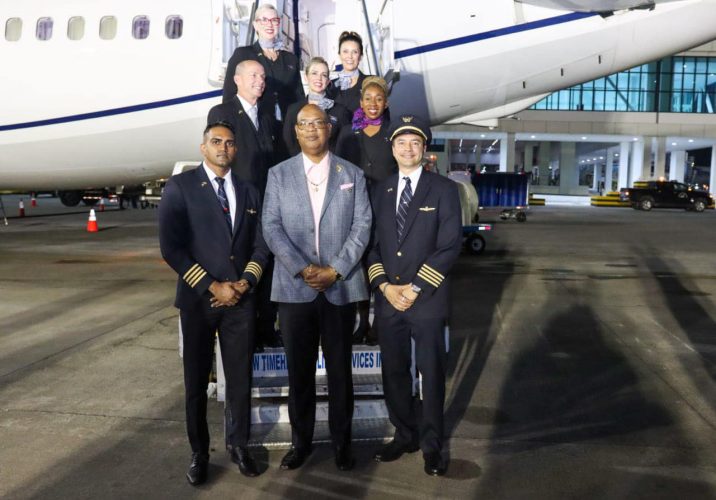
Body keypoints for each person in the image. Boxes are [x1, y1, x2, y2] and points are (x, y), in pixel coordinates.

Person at [158, 122, 270, 485]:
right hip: (199, 301)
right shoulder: (181, 187)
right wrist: (211, 286)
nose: (224, 147)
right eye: (216, 141)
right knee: (195, 384)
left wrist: (246, 281)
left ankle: (239, 446)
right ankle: (199, 453)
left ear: (236, 150)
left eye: (230, 143)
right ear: (203, 147)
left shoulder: (249, 190)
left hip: (240, 300)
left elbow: (261, 246)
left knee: (239, 379)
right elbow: (171, 248)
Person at [262, 104, 371, 472]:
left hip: (339, 290)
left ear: (329, 129)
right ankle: (301, 442)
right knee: (300, 374)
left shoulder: (351, 174)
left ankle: (343, 444)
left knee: (341, 372)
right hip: (294, 291)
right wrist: (303, 268)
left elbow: (362, 227)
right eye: (304, 124)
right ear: (296, 132)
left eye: (318, 123)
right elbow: (271, 227)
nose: (311, 130)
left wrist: (336, 270)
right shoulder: (278, 175)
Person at [366, 115, 462, 477]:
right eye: (401, 143)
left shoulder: (444, 190)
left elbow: (450, 245)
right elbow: (371, 246)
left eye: (415, 143)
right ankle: (404, 433)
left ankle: (432, 445)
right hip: (389, 300)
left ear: (424, 149)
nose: (408, 148)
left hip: (428, 299)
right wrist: (386, 287)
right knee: (393, 371)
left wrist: (416, 287)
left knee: (431, 372)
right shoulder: (382, 190)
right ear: (392, 149)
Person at [208, 59, 282, 350]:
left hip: (265, 203)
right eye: (254, 75)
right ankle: (244, 330)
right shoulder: (223, 112)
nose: (260, 81)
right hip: (237, 203)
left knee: (265, 265)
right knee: (239, 262)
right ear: (236, 79)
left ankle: (266, 327)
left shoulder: (265, 116)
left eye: (263, 77)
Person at [336, 76, 396, 344]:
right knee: (358, 267)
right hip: (355, 208)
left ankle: (379, 325)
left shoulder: (393, 133)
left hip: (385, 207)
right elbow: (338, 171)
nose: (373, 104)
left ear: (386, 103)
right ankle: (361, 322)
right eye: (368, 99)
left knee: (381, 263)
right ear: (360, 102)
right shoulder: (349, 132)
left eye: (379, 99)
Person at [222, 3, 304, 124]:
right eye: (264, 20)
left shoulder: (290, 59)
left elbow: (299, 96)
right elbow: (229, 93)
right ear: (255, 25)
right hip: (256, 124)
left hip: (288, 125)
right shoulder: (243, 54)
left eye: (274, 20)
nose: (270, 24)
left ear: (278, 23)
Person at [283, 56, 351, 156]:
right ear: (306, 77)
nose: (319, 78)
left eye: (324, 75)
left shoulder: (340, 111)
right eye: (314, 73)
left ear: (328, 81)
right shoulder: (293, 110)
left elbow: (346, 145)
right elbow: (289, 144)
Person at [327, 31, 369, 115]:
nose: (350, 56)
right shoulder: (330, 86)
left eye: (355, 52)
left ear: (360, 56)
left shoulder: (370, 82)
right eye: (345, 51)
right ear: (339, 55)